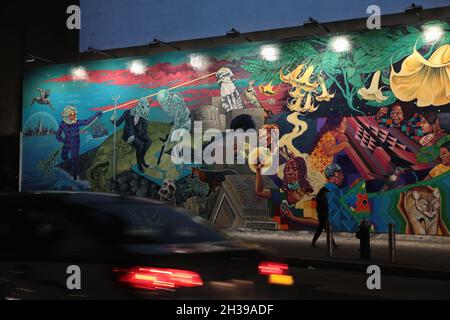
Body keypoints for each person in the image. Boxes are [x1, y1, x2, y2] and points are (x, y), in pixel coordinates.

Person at [255, 157, 318, 229]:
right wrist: (258, 171)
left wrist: (293, 218)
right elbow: (259, 191)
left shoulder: (308, 196)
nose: (290, 172)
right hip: (281, 237)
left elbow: (316, 222)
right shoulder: (282, 193)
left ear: (301, 172)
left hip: (302, 238)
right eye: (287, 169)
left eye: (294, 169)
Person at [56, 106, 102, 180]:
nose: (74, 116)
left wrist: (96, 116)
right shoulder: (63, 123)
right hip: (67, 142)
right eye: (72, 114)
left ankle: (75, 174)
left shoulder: (77, 122)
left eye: (75, 114)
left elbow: (87, 121)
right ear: (67, 115)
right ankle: (71, 165)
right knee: (64, 156)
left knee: (74, 158)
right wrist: (62, 140)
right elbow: (57, 135)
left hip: (75, 142)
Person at [111, 98, 152, 173]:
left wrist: (136, 135)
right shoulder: (127, 113)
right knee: (140, 145)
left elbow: (144, 131)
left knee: (149, 141)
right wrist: (112, 119)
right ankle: (139, 165)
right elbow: (117, 124)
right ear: (139, 107)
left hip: (137, 134)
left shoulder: (143, 115)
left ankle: (142, 158)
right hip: (128, 136)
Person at [310, 164, 346, 248]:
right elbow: (321, 202)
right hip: (323, 214)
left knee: (325, 229)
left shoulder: (326, 189)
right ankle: (328, 244)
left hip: (323, 213)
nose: (341, 176)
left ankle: (332, 244)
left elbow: (321, 201)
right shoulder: (328, 188)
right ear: (331, 175)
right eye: (337, 173)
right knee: (324, 229)